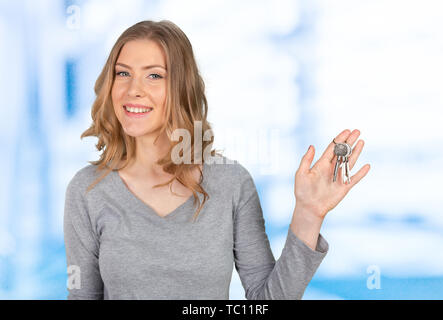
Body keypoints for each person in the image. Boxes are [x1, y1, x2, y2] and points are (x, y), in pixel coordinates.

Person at [64, 20, 370, 300]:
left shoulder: (231, 183)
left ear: (181, 87)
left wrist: (309, 213)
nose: (134, 90)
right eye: (123, 73)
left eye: (154, 75)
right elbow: (82, 296)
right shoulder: (88, 190)